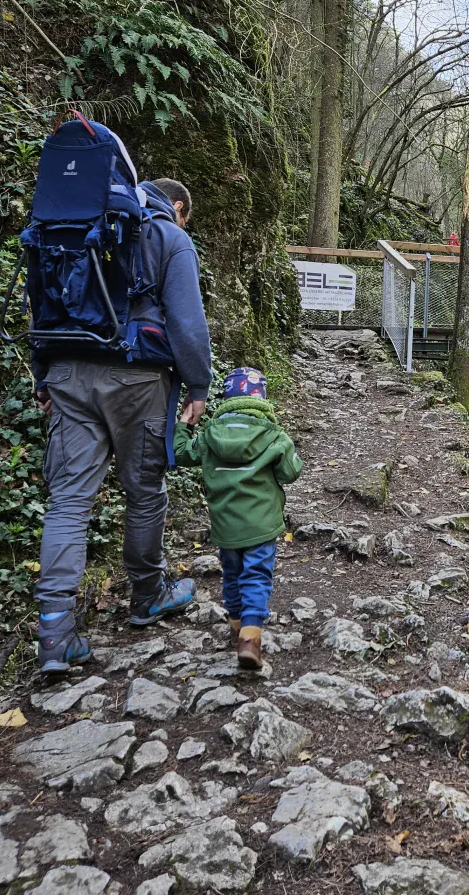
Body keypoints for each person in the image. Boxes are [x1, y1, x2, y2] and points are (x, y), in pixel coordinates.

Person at [35, 175, 212, 673]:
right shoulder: (170, 236)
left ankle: (54, 633)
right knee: (144, 491)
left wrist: (43, 375)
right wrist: (198, 386)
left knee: (68, 501)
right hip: (138, 378)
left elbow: (42, 299)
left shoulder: (71, 227)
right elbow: (187, 323)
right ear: (177, 207)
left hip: (68, 369)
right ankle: (148, 594)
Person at [173, 367, 302, 671]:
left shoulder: (209, 436)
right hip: (261, 525)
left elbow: (180, 453)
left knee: (232, 574)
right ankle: (250, 638)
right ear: (262, 400)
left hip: (225, 527)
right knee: (256, 575)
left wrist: (183, 424)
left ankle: (235, 627)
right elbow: (290, 472)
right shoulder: (274, 435)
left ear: (226, 400)